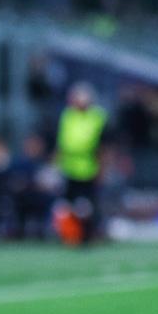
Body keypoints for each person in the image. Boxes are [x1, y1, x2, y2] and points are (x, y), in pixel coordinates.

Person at [53, 81, 108, 245]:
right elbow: (62, 142)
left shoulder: (97, 116)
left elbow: (102, 146)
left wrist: (102, 168)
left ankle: (87, 235)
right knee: (67, 205)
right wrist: (56, 164)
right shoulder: (67, 115)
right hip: (68, 168)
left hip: (89, 168)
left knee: (86, 205)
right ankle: (70, 235)